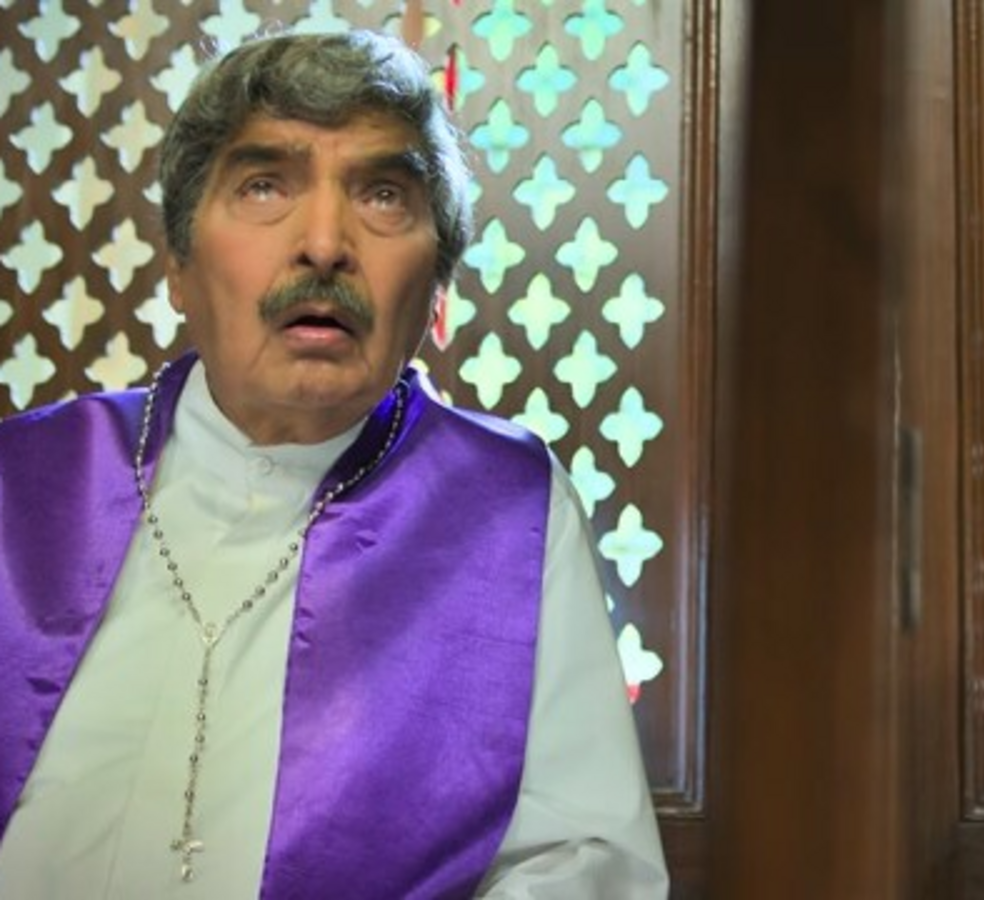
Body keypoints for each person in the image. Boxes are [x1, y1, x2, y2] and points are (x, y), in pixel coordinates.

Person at [0, 30, 668, 898]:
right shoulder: (27, 481)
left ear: (436, 284)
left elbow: (583, 864)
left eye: (384, 196)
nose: (323, 244)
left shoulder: (507, 514)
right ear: (178, 265)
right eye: (265, 185)